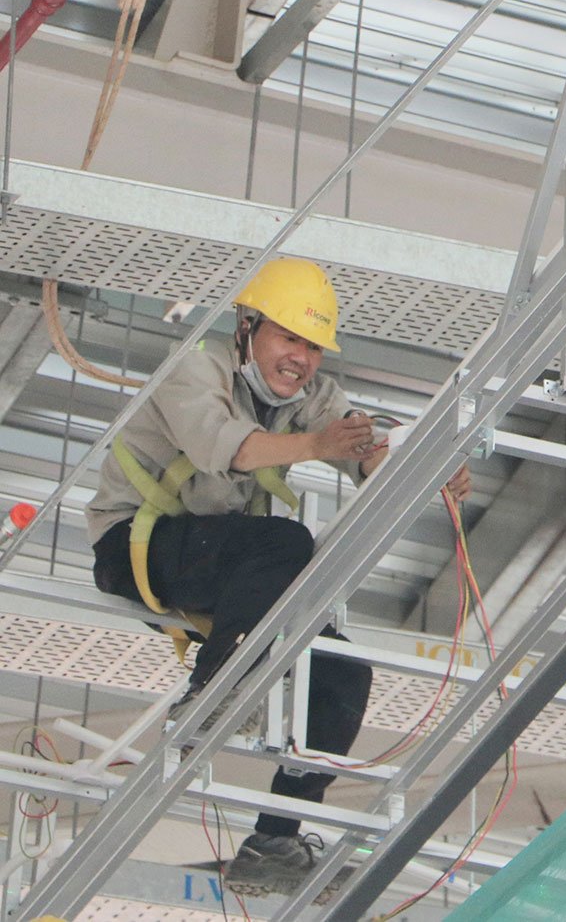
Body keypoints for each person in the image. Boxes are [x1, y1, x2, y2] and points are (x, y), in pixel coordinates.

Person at [85, 257, 471, 897]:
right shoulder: (195, 370)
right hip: (137, 544)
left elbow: (364, 454)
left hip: (230, 567)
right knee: (287, 540)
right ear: (248, 326)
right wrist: (319, 446)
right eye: (290, 338)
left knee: (340, 667)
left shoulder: (315, 400)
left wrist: (425, 469)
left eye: (313, 347)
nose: (302, 360)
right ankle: (214, 694)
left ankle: (277, 836)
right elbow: (227, 447)